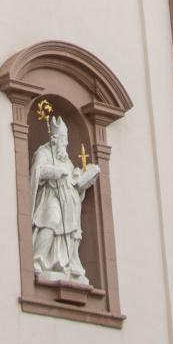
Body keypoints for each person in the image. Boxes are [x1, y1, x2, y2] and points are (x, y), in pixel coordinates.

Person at [30, 111, 99, 285]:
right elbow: (37, 172)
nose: (66, 143)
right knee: (51, 220)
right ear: (55, 139)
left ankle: (66, 264)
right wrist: (55, 171)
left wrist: (81, 181)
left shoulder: (66, 159)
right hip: (51, 198)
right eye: (63, 139)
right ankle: (38, 259)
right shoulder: (44, 152)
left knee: (73, 230)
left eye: (66, 139)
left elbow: (72, 183)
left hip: (69, 203)